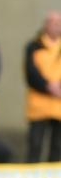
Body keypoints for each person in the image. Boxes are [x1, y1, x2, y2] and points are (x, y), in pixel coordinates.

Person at [24, 11, 61, 162]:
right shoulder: (34, 46)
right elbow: (31, 72)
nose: (56, 27)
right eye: (53, 23)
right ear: (46, 25)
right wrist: (47, 86)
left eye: (58, 23)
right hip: (38, 105)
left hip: (59, 105)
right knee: (35, 144)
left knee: (57, 146)